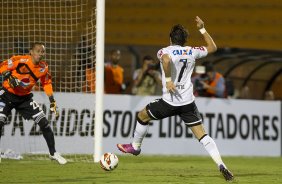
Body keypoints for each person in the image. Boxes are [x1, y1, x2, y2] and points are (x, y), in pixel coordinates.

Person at [117, 16, 234, 181]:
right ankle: (221, 165)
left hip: (169, 102)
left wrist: (169, 80)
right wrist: (202, 28)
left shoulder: (164, 51)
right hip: (187, 103)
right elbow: (213, 47)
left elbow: (165, 60)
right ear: (185, 40)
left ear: (170, 38)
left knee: (142, 115)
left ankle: (135, 147)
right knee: (203, 136)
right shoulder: (192, 51)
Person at [0, 42, 67, 164]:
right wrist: (8, 75)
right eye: (37, 51)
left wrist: (52, 101)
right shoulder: (20, 60)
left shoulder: (43, 67)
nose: (40, 54)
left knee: (44, 123)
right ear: (31, 52)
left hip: (24, 99)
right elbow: (2, 66)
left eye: (42, 52)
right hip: (6, 95)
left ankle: (53, 153)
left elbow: (46, 83)